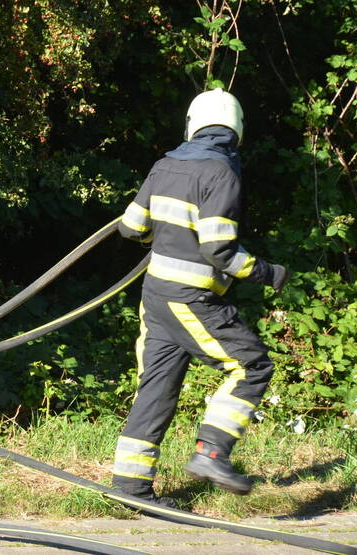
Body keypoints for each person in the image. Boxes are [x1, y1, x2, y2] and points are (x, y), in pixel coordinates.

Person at [111, 88, 288, 506]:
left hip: (155, 295)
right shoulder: (221, 172)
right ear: (236, 130)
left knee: (156, 387)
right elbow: (219, 249)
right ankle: (211, 453)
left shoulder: (166, 163)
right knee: (252, 367)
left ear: (193, 123)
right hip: (191, 298)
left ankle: (130, 486)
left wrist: (164, 233)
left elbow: (132, 227)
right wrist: (267, 272)